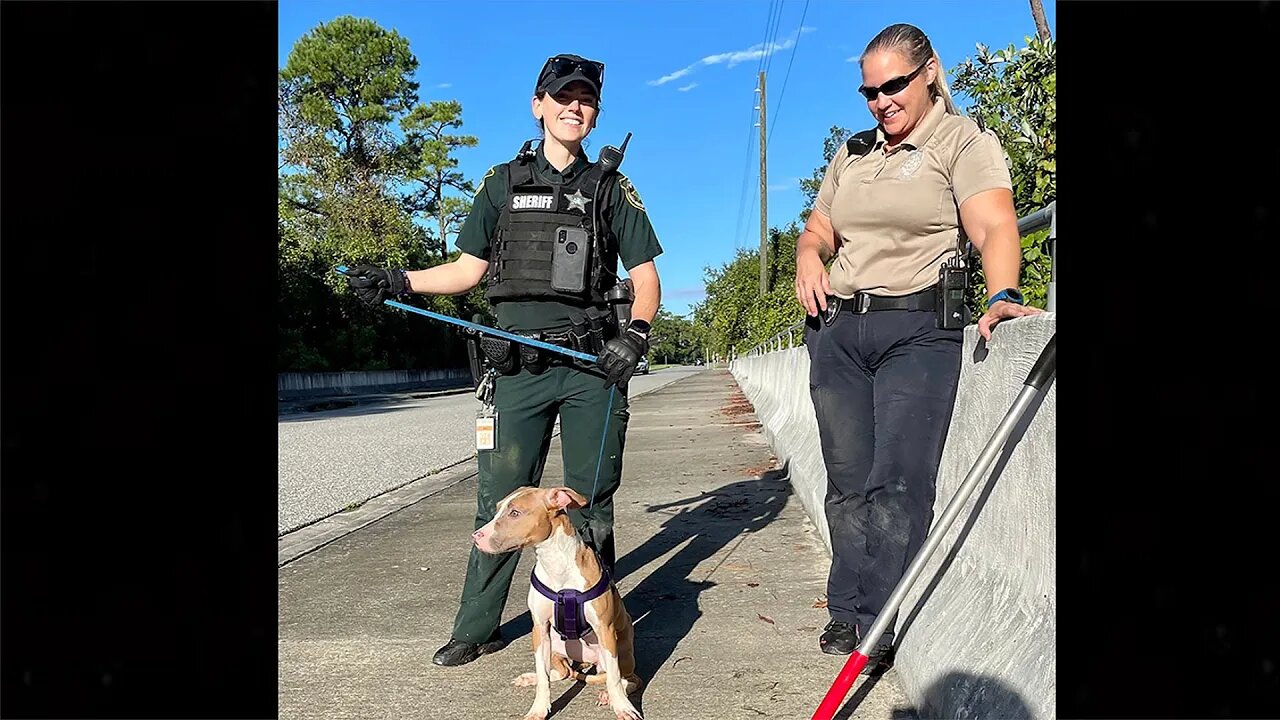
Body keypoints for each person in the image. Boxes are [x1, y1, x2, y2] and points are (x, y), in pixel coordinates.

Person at [345, 53, 663, 668]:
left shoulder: (611, 188)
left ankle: (597, 627)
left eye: (587, 99)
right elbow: (467, 272)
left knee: (589, 501)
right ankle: (478, 626)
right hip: (516, 370)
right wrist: (397, 279)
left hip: (592, 368)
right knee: (499, 497)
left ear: (595, 114)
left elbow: (645, 276)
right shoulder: (500, 183)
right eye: (563, 96)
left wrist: (637, 335)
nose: (576, 106)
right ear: (538, 103)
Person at [792, 23, 1042, 674]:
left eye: (893, 85)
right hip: (839, 330)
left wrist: (1001, 293)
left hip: (918, 327)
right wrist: (806, 257)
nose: (880, 101)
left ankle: (879, 621)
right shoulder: (852, 153)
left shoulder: (962, 141)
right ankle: (845, 610)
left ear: (929, 72)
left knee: (898, 485)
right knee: (847, 486)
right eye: (869, 91)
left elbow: (992, 225)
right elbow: (819, 228)